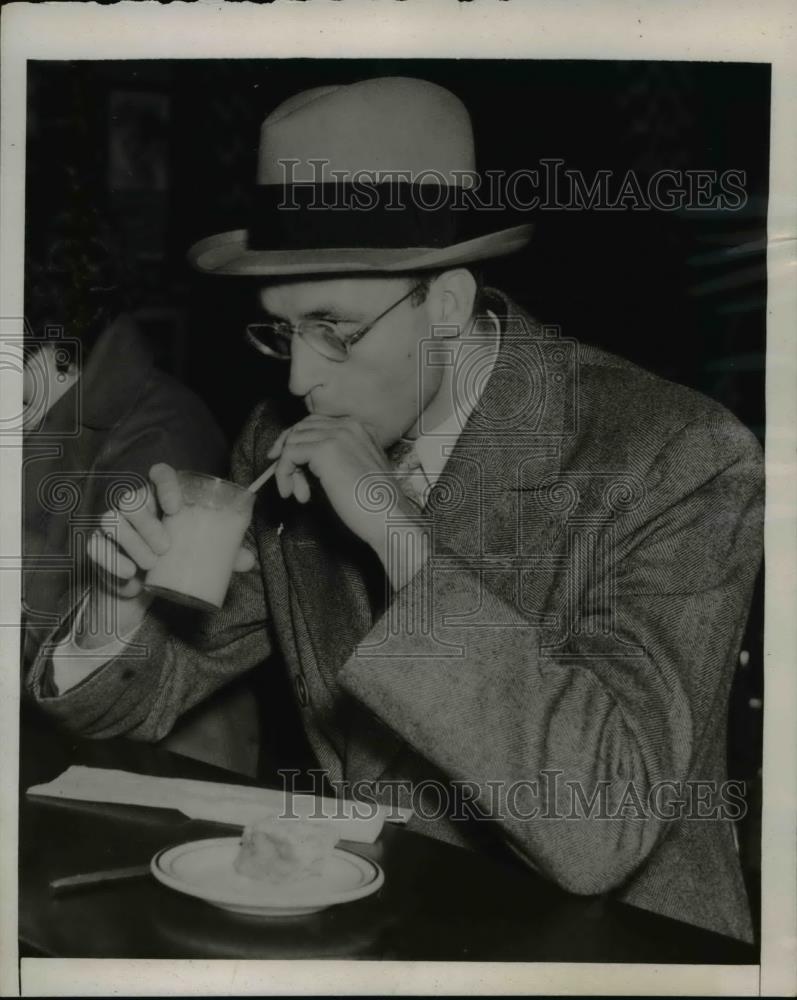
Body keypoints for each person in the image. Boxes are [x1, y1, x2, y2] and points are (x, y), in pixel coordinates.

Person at [26, 78, 764, 942]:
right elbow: (134, 707)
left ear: (447, 306)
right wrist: (116, 605)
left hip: (619, 954)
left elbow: (601, 829)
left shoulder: (675, 456)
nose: (300, 379)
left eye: (333, 329)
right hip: (375, 929)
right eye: (279, 331)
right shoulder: (285, 436)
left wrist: (396, 534)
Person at [22, 207, 259, 775]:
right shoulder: (37, 415)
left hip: (156, 781)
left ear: (45, 334)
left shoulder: (160, 439)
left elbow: (71, 655)